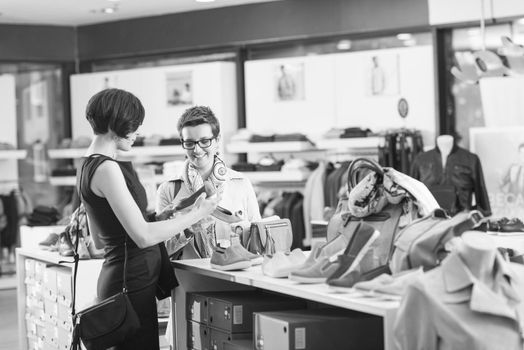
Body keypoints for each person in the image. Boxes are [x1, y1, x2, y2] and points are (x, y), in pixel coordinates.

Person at [79, 88, 218, 350]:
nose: (137, 132)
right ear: (117, 122)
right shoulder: (107, 168)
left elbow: (102, 236)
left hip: (124, 279)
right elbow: (143, 236)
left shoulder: (89, 165)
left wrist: (158, 216)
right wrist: (197, 213)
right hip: (129, 283)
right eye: (135, 124)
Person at [156, 105, 261, 258]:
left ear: (217, 140)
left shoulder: (240, 183)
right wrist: (188, 229)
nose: (197, 150)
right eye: (190, 143)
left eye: (204, 141)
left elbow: (258, 239)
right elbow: (160, 250)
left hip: (234, 276)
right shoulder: (168, 190)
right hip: (189, 279)